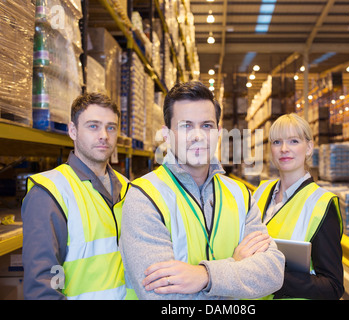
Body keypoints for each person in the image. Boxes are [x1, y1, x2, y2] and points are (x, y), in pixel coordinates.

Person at [120, 81, 285, 299]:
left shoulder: (240, 194)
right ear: (167, 134)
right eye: (186, 126)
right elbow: (164, 297)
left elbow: (272, 273)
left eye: (206, 125)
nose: (197, 135)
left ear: (218, 132)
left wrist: (205, 276)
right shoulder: (145, 197)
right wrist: (235, 266)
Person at [22, 92, 135, 299]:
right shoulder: (50, 192)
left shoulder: (129, 189)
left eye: (111, 127)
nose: (104, 135)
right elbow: (43, 286)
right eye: (93, 126)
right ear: (72, 131)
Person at [252, 113, 344, 300]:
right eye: (277, 142)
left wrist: (271, 277)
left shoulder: (321, 204)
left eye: (293, 141)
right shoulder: (259, 193)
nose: (284, 149)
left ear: (309, 148)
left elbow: (333, 286)